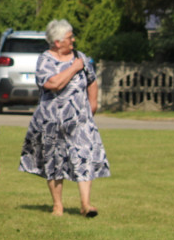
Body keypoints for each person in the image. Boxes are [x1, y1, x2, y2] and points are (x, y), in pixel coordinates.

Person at [18, 19, 109, 217]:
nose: (73, 40)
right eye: (69, 37)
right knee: (54, 162)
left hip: (80, 122)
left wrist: (93, 104)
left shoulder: (80, 57)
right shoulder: (45, 61)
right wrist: (74, 68)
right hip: (51, 122)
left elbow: (92, 81)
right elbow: (54, 83)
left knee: (83, 157)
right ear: (57, 42)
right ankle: (57, 205)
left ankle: (86, 205)